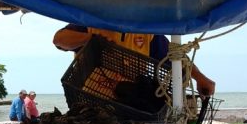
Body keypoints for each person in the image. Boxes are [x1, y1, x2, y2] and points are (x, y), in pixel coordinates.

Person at [53, 25, 216, 96]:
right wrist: (90, 38)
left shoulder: (148, 33)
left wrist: (201, 78)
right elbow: (59, 39)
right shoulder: (92, 22)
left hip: (130, 103)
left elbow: (175, 56)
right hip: (91, 100)